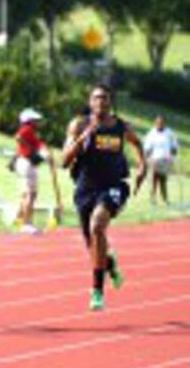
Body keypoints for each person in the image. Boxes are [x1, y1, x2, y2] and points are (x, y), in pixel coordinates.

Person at [62, 84, 146, 311]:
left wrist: (142, 167)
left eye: (105, 99)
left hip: (113, 186)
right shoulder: (78, 125)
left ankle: (97, 290)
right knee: (93, 245)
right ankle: (109, 263)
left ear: (110, 103)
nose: (101, 102)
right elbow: (64, 161)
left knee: (97, 226)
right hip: (85, 189)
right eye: (97, 99)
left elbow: (137, 143)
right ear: (90, 102)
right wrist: (82, 139)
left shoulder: (120, 126)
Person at [14, 108, 49, 234]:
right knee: (30, 194)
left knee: (26, 194)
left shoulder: (32, 132)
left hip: (25, 163)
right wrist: (30, 150)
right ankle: (26, 223)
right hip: (26, 162)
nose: (37, 122)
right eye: (35, 120)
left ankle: (20, 218)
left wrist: (42, 151)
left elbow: (39, 144)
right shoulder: (27, 129)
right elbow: (18, 137)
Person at [143, 115, 178, 204]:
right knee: (154, 178)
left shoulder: (169, 133)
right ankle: (153, 198)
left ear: (164, 123)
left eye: (161, 123)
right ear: (155, 123)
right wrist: (147, 158)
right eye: (158, 123)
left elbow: (174, 147)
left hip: (166, 159)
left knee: (163, 180)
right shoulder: (151, 133)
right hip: (154, 159)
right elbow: (147, 147)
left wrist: (173, 156)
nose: (159, 124)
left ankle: (165, 199)